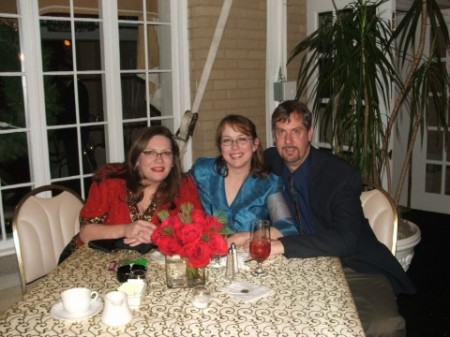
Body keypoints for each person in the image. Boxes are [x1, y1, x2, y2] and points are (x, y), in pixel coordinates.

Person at [264, 100, 416, 337]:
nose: (288, 141)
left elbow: (345, 240)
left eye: (296, 132)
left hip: (351, 266)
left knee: (384, 324)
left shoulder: (339, 175)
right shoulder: (269, 162)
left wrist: (280, 245)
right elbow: (233, 166)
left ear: (310, 134)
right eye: (281, 133)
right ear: (273, 136)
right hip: (294, 267)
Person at [59, 125, 203, 263]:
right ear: (136, 159)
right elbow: (86, 233)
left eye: (166, 153)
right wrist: (126, 229)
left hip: (150, 265)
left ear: (173, 161)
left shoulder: (183, 186)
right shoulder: (109, 183)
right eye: (150, 152)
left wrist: (161, 236)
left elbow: (197, 231)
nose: (159, 160)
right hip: (91, 260)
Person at [189, 114, 298, 247]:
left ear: (254, 145)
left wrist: (244, 236)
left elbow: (287, 229)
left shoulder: (268, 183)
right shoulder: (203, 172)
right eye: (227, 140)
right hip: (206, 257)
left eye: (242, 139)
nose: (235, 147)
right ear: (220, 146)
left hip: (247, 260)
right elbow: (172, 191)